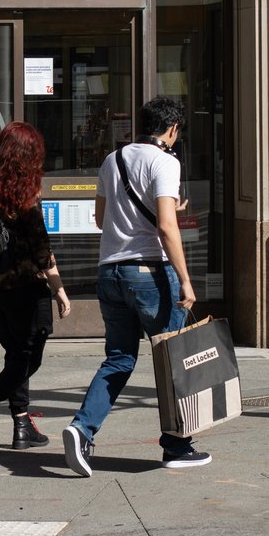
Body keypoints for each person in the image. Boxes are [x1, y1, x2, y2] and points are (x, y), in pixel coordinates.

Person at [62, 96, 210, 475]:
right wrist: (187, 280)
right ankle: (177, 446)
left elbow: (100, 217)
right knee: (172, 360)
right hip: (149, 273)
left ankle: (82, 429)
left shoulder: (113, 160)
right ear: (172, 129)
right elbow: (164, 226)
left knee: (119, 358)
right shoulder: (165, 161)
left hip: (110, 272)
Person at [0, 121, 72, 452]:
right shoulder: (25, 196)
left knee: (15, 354)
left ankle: (22, 425)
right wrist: (60, 290)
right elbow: (42, 251)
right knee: (27, 358)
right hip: (25, 289)